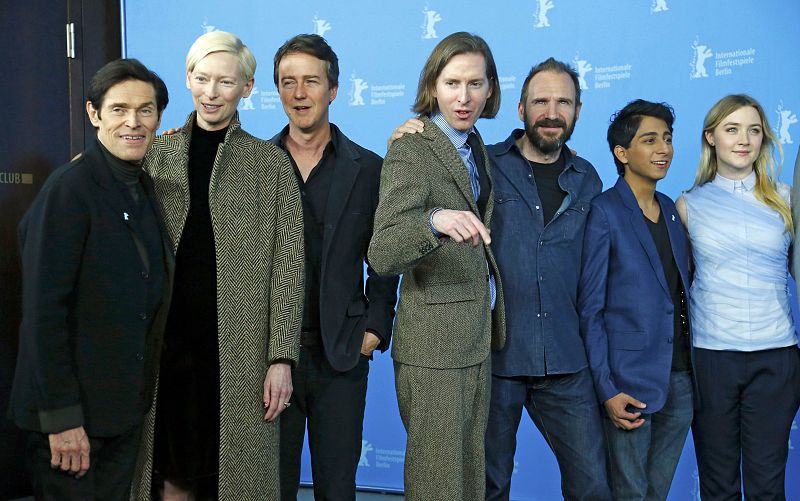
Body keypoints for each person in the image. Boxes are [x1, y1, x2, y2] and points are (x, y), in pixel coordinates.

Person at [389, 57, 610, 501]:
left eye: (563, 102)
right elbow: (416, 197)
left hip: (566, 360)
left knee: (593, 486)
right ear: (520, 110)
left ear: (578, 111)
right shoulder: (483, 163)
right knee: (487, 485)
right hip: (495, 354)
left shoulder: (588, 179)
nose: (552, 111)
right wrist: (410, 133)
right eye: (540, 101)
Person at [131, 31, 305, 500]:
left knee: (237, 479)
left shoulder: (270, 164)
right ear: (188, 78)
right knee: (168, 472)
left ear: (246, 87)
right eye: (202, 78)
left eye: (224, 82)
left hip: (241, 352)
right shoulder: (156, 154)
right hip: (169, 348)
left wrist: (281, 358)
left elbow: (288, 268)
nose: (211, 93)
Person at [9, 58, 172, 500]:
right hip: (69, 422)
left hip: (119, 414)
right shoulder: (70, 189)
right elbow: (44, 314)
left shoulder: (141, 187)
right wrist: (61, 419)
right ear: (94, 114)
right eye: (119, 109)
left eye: (145, 110)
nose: (133, 122)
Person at [368, 32, 505, 501]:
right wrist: (434, 220)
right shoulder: (412, 147)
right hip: (433, 345)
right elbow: (382, 251)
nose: (463, 97)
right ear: (433, 85)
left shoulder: (475, 145)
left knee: (467, 478)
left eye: (475, 83)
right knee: (437, 482)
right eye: (452, 83)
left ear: (491, 89)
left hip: (475, 335)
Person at [269, 34, 398, 501]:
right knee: (270, 489)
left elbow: (384, 260)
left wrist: (375, 330)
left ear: (333, 90)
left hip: (342, 356)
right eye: (288, 82)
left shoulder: (369, 169)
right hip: (268, 358)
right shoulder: (255, 167)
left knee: (337, 489)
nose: (299, 93)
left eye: (311, 81)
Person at [676, 94, 800, 500]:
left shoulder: (786, 199)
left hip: (776, 358)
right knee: (718, 485)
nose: (743, 139)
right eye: (732, 129)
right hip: (712, 358)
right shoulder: (688, 205)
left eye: (753, 130)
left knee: (768, 485)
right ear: (711, 137)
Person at [580, 100, 693, 500]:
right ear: (622, 153)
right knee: (629, 492)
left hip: (680, 378)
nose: (663, 149)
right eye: (650, 140)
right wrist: (607, 388)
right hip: (628, 383)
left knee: (655, 492)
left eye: (667, 139)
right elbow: (590, 309)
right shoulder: (604, 212)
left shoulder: (672, 210)